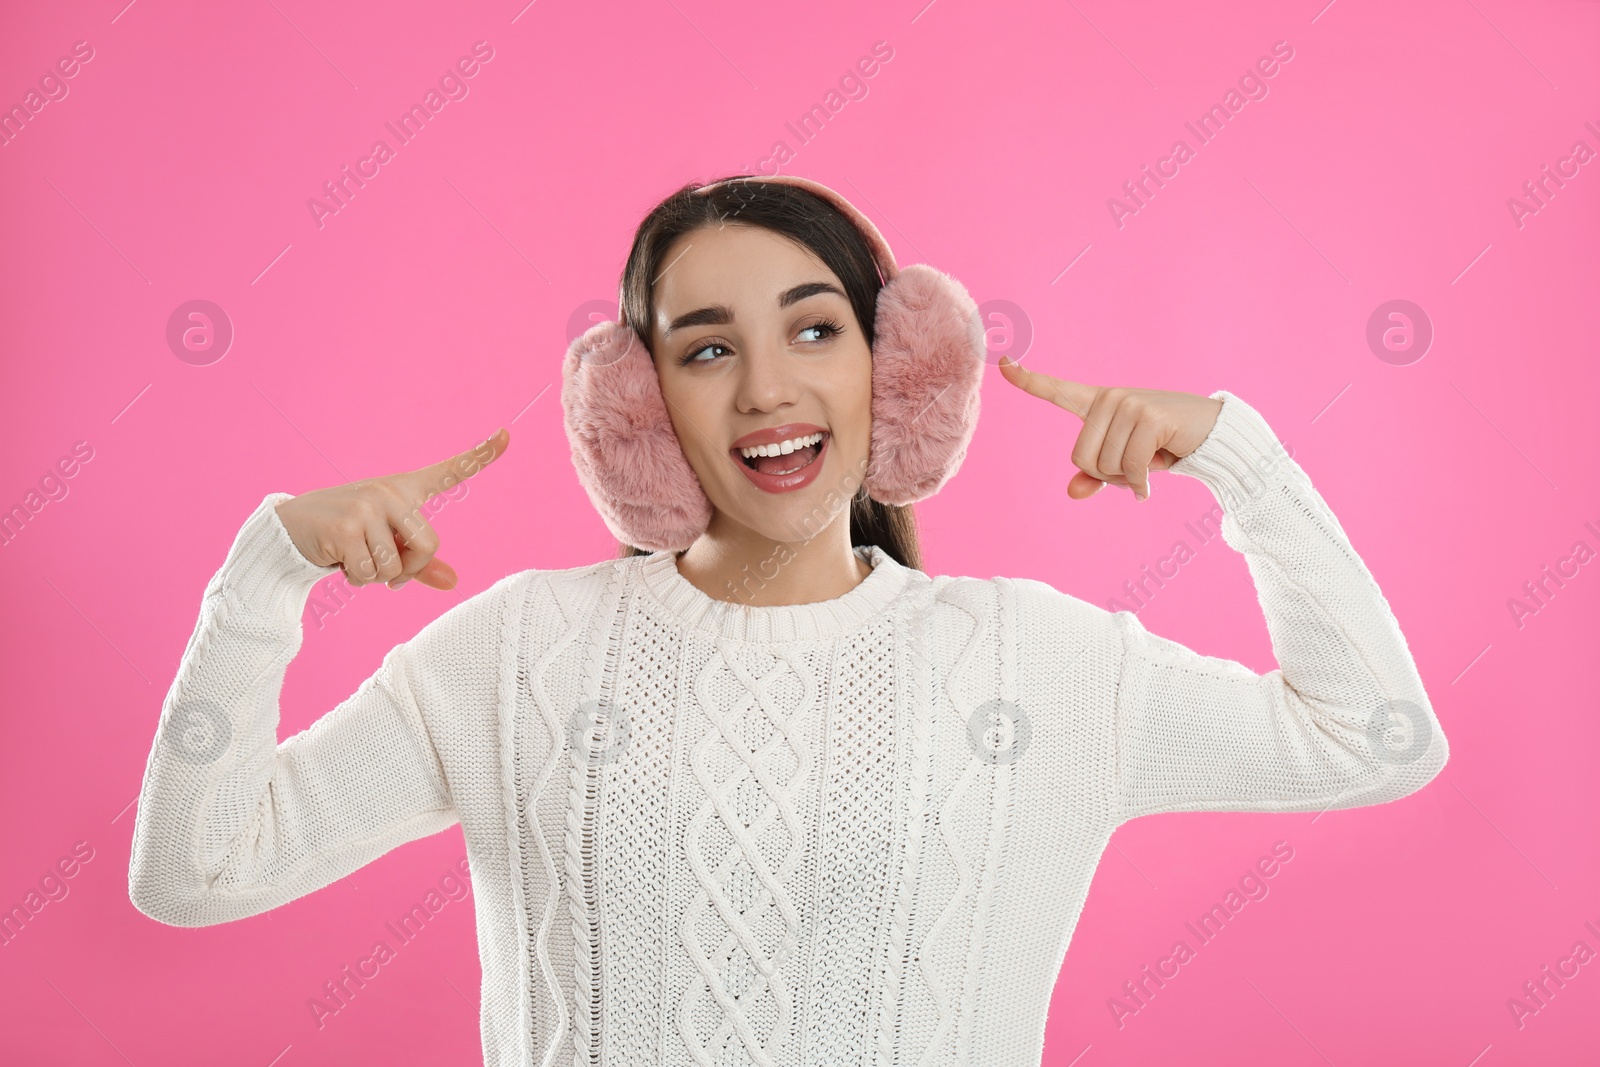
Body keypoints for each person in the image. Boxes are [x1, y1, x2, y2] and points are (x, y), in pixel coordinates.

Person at [127, 174, 1448, 1066]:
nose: (766, 386)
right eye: (706, 348)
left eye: (815, 331)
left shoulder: (1038, 663)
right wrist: (265, 582)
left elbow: (1376, 743)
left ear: (899, 366)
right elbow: (196, 873)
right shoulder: (516, 655)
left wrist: (1244, 462)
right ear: (637, 410)